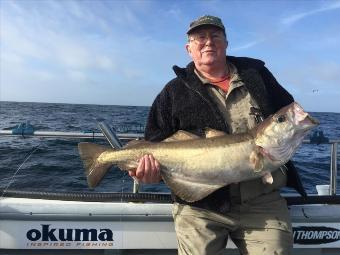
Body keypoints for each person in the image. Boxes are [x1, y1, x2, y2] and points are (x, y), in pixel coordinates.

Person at [129, 15, 306, 255]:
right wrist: (149, 173)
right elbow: (155, 141)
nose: (208, 42)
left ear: (226, 43)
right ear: (188, 48)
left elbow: (286, 114)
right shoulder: (172, 92)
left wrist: (294, 131)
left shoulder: (257, 75)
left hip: (261, 201)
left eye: (215, 36)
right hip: (200, 206)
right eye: (200, 38)